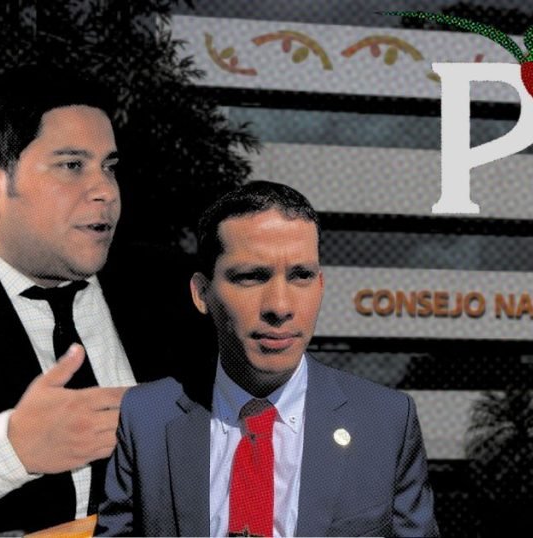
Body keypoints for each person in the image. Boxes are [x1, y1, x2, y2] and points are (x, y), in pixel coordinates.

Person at [0, 66, 209, 535]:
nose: (106, 192)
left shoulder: (177, 290)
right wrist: (7, 452)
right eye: (72, 166)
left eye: (109, 167)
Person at [96, 181, 440, 537]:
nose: (280, 306)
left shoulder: (386, 423)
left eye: (301, 276)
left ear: (321, 286)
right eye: (251, 277)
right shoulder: (146, 419)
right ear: (202, 293)